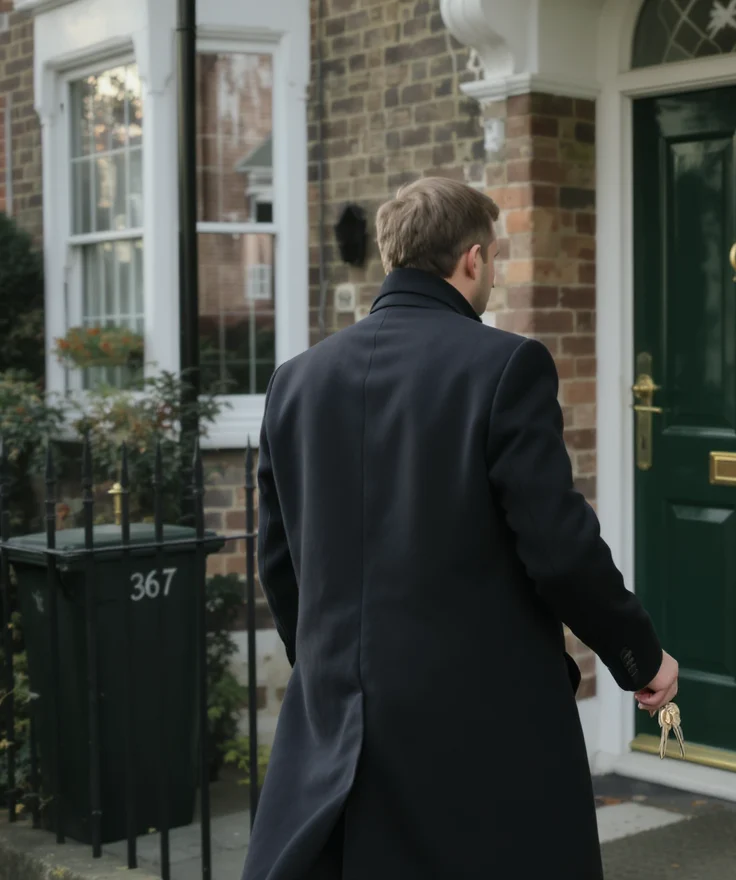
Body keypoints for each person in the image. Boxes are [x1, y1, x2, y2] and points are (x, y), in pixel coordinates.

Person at [241, 177, 679, 880]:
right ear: (473, 259)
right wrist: (641, 656)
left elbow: (278, 558)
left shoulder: (295, 381)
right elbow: (560, 549)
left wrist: (331, 671)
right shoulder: (504, 366)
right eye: (495, 259)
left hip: (336, 730)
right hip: (479, 739)